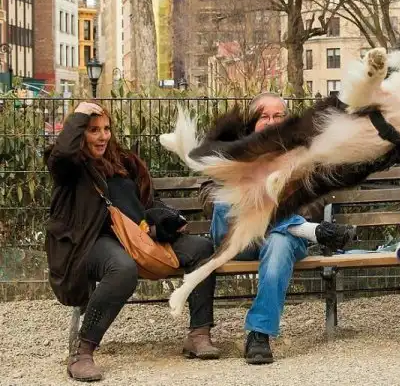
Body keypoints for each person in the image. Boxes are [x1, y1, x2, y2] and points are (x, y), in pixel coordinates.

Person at [44, 102, 219, 382]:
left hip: (139, 237)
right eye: (93, 130)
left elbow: (147, 203)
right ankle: (82, 352)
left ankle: (199, 334)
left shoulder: (123, 162)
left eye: (106, 129)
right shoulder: (70, 166)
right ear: (78, 132)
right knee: (122, 268)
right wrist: (79, 113)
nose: (103, 136)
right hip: (93, 241)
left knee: (203, 249)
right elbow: (61, 155)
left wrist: (162, 222)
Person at [200, 93, 356, 364]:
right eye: (264, 117)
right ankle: (307, 230)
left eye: (278, 116)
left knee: (280, 243)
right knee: (229, 198)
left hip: (280, 239)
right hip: (237, 238)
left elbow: (316, 198)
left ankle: (259, 335)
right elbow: (207, 195)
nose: (271, 122)